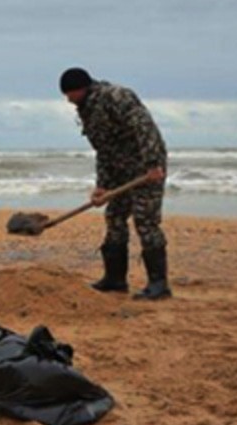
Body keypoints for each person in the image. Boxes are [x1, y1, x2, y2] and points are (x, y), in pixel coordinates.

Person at [60, 67, 171, 300]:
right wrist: (103, 186)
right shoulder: (86, 109)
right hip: (119, 170)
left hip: (146, 166)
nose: (68, 100)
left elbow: (145, 127)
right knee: (114, 217)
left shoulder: (116, 97)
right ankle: (115, 279)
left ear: (80, 89)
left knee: (145, 221)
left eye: (69, 94)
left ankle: (159, 285)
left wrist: (152, 164)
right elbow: (103, 150)